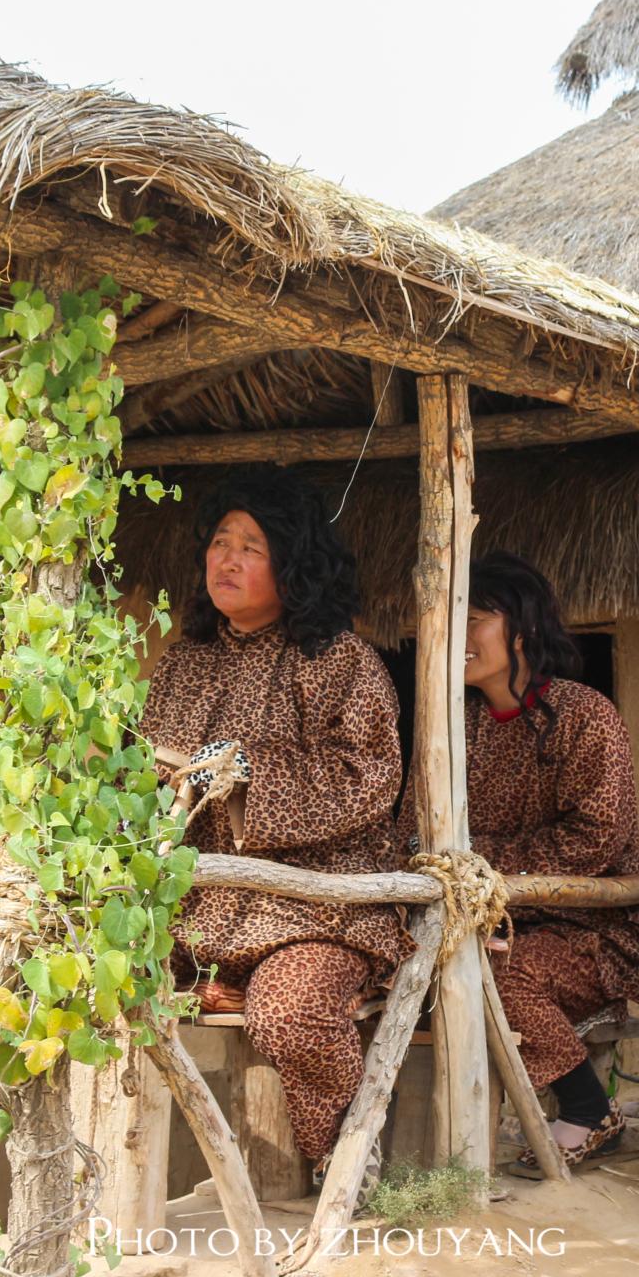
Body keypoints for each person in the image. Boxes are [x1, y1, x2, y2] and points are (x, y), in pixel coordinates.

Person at [139, 468, 410, 1187]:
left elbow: (367, 776)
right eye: (220, 543)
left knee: (291, 1011)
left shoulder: (340, 661)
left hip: (315, 909)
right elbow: (145, 773)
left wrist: (247, 772)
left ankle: (343, 1159)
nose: (227, 560)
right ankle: (115, 1178)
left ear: (293, 563)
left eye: (250, 547)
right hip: (197, 911)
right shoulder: (182, 664)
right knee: (92, 978)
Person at [429, 552, 639, 1178]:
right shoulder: (449, 728)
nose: (459, 634)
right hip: (477, 921)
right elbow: (416, 834)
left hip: (587, 928)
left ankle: (589, 1110)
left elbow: (594, 839)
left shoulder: (587, 717)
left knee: (500, 974)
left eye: (475, 618)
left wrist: (479, 872)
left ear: (523, 630)